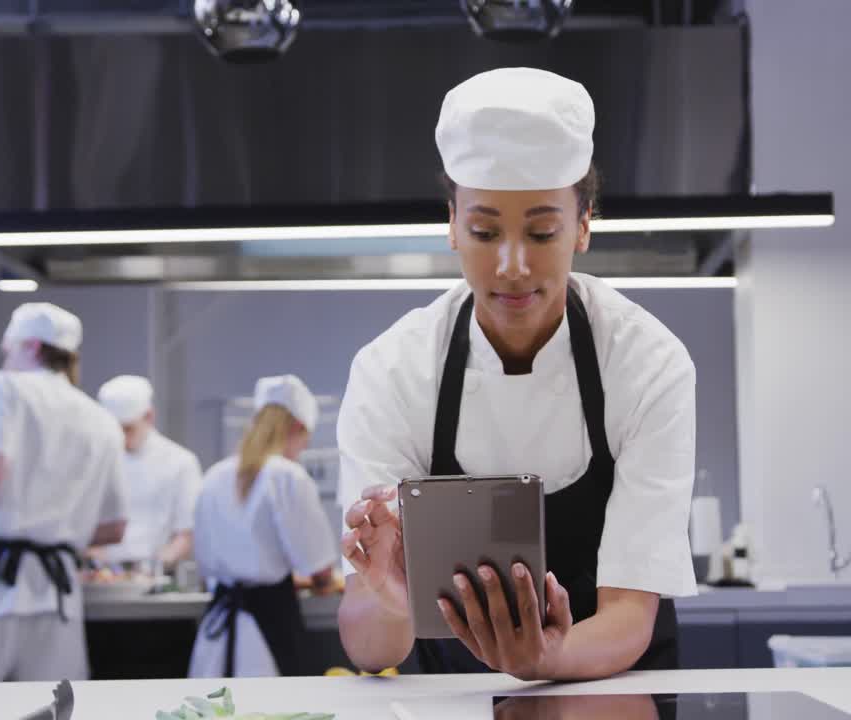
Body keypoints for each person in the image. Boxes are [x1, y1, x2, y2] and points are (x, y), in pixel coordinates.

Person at [335, 67, 697, 680]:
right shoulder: (394, 370)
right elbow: (370, 649)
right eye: (483, 231)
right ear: (451, 224)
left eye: (541, 231)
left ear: (583, 225)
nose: (511, 265)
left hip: (606, 692)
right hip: (454, 698)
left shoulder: (645, 362)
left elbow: (630, 614)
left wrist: (546, 658)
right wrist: (389, 599)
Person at [0, 302, 129, 682]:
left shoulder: (2, 388)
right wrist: (58, 528)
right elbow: (115, 528)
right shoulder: (102, 421)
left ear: (33, 348)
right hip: (59, 593)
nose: (5, 356)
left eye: (9, 347)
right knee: (54, 708)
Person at [188, 375, 337, 678]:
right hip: (267, 629)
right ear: (297, 428)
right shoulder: (287, 476)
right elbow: (319, 568)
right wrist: (322, 581)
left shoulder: (214, 476)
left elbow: (205, 566)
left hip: (215, 630)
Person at [95, 375, 202, 572]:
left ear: (149, 417)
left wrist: (155, 567)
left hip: (155, 574)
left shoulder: (180, 462)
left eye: (128, 429)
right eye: (113, 430)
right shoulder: (96, 461)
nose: (121, 438)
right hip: (103, 573)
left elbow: (187, 533)